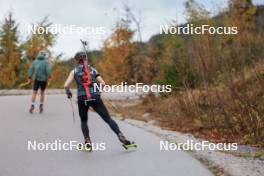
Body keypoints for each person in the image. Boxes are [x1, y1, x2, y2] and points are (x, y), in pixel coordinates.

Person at [64, 51, 133, 148]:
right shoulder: (93, 70)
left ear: (77, 61)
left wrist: (68, 93)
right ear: (85, 59)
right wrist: (98, 92)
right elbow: (103, 83)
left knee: (84, 121)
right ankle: (120, 135)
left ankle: (87, 141)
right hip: (95, 97)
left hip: (82, 98)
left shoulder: (74, 71)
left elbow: (66, 85)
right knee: (108, 119)